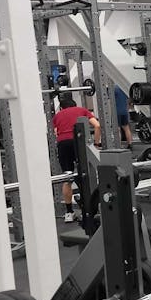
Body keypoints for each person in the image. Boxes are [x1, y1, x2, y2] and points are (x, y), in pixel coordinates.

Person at [52, 93, 101, 223]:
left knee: (67, 177)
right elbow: (97, 126)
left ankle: (69, 213)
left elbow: (56, 132)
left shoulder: (57, 116)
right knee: (86, 174)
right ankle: (91, 209)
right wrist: (96, 144)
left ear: (62, 108)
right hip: (78, 142)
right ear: (75, 105)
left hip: (63, 144)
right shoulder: (82, 110)